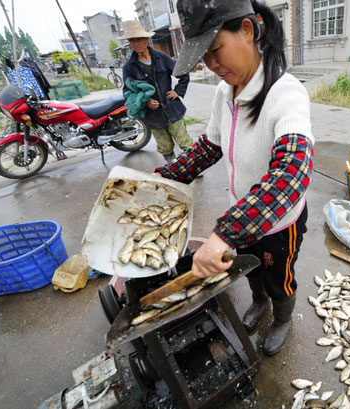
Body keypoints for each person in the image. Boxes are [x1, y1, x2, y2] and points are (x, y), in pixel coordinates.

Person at [155, 0, 314, 355]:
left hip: (278, 226)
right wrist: (166, 177)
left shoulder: (286, 93)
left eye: (215, 51)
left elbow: (292, 175)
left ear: (246, 30)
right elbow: (210, 145)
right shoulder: (224, 92)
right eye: (204, 57)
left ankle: (282, 317)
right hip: (241, 215)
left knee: (279, 278)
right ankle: (259, 302)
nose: (211, 65)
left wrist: (223, 233)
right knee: (249, 268)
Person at [120, 20, 193, 163]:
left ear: (146, 39)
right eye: (133, 40)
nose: (137, 43)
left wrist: (178, 91)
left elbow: (183, 73)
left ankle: (194, 165)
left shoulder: (161, 57)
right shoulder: (129, 67)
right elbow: (127, 92)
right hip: (152, 115)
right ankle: (173, 168)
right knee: (164, 146)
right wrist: (145, 102)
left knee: (184, 141)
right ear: (129, 42)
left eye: (139, 39)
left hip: (171, 108)